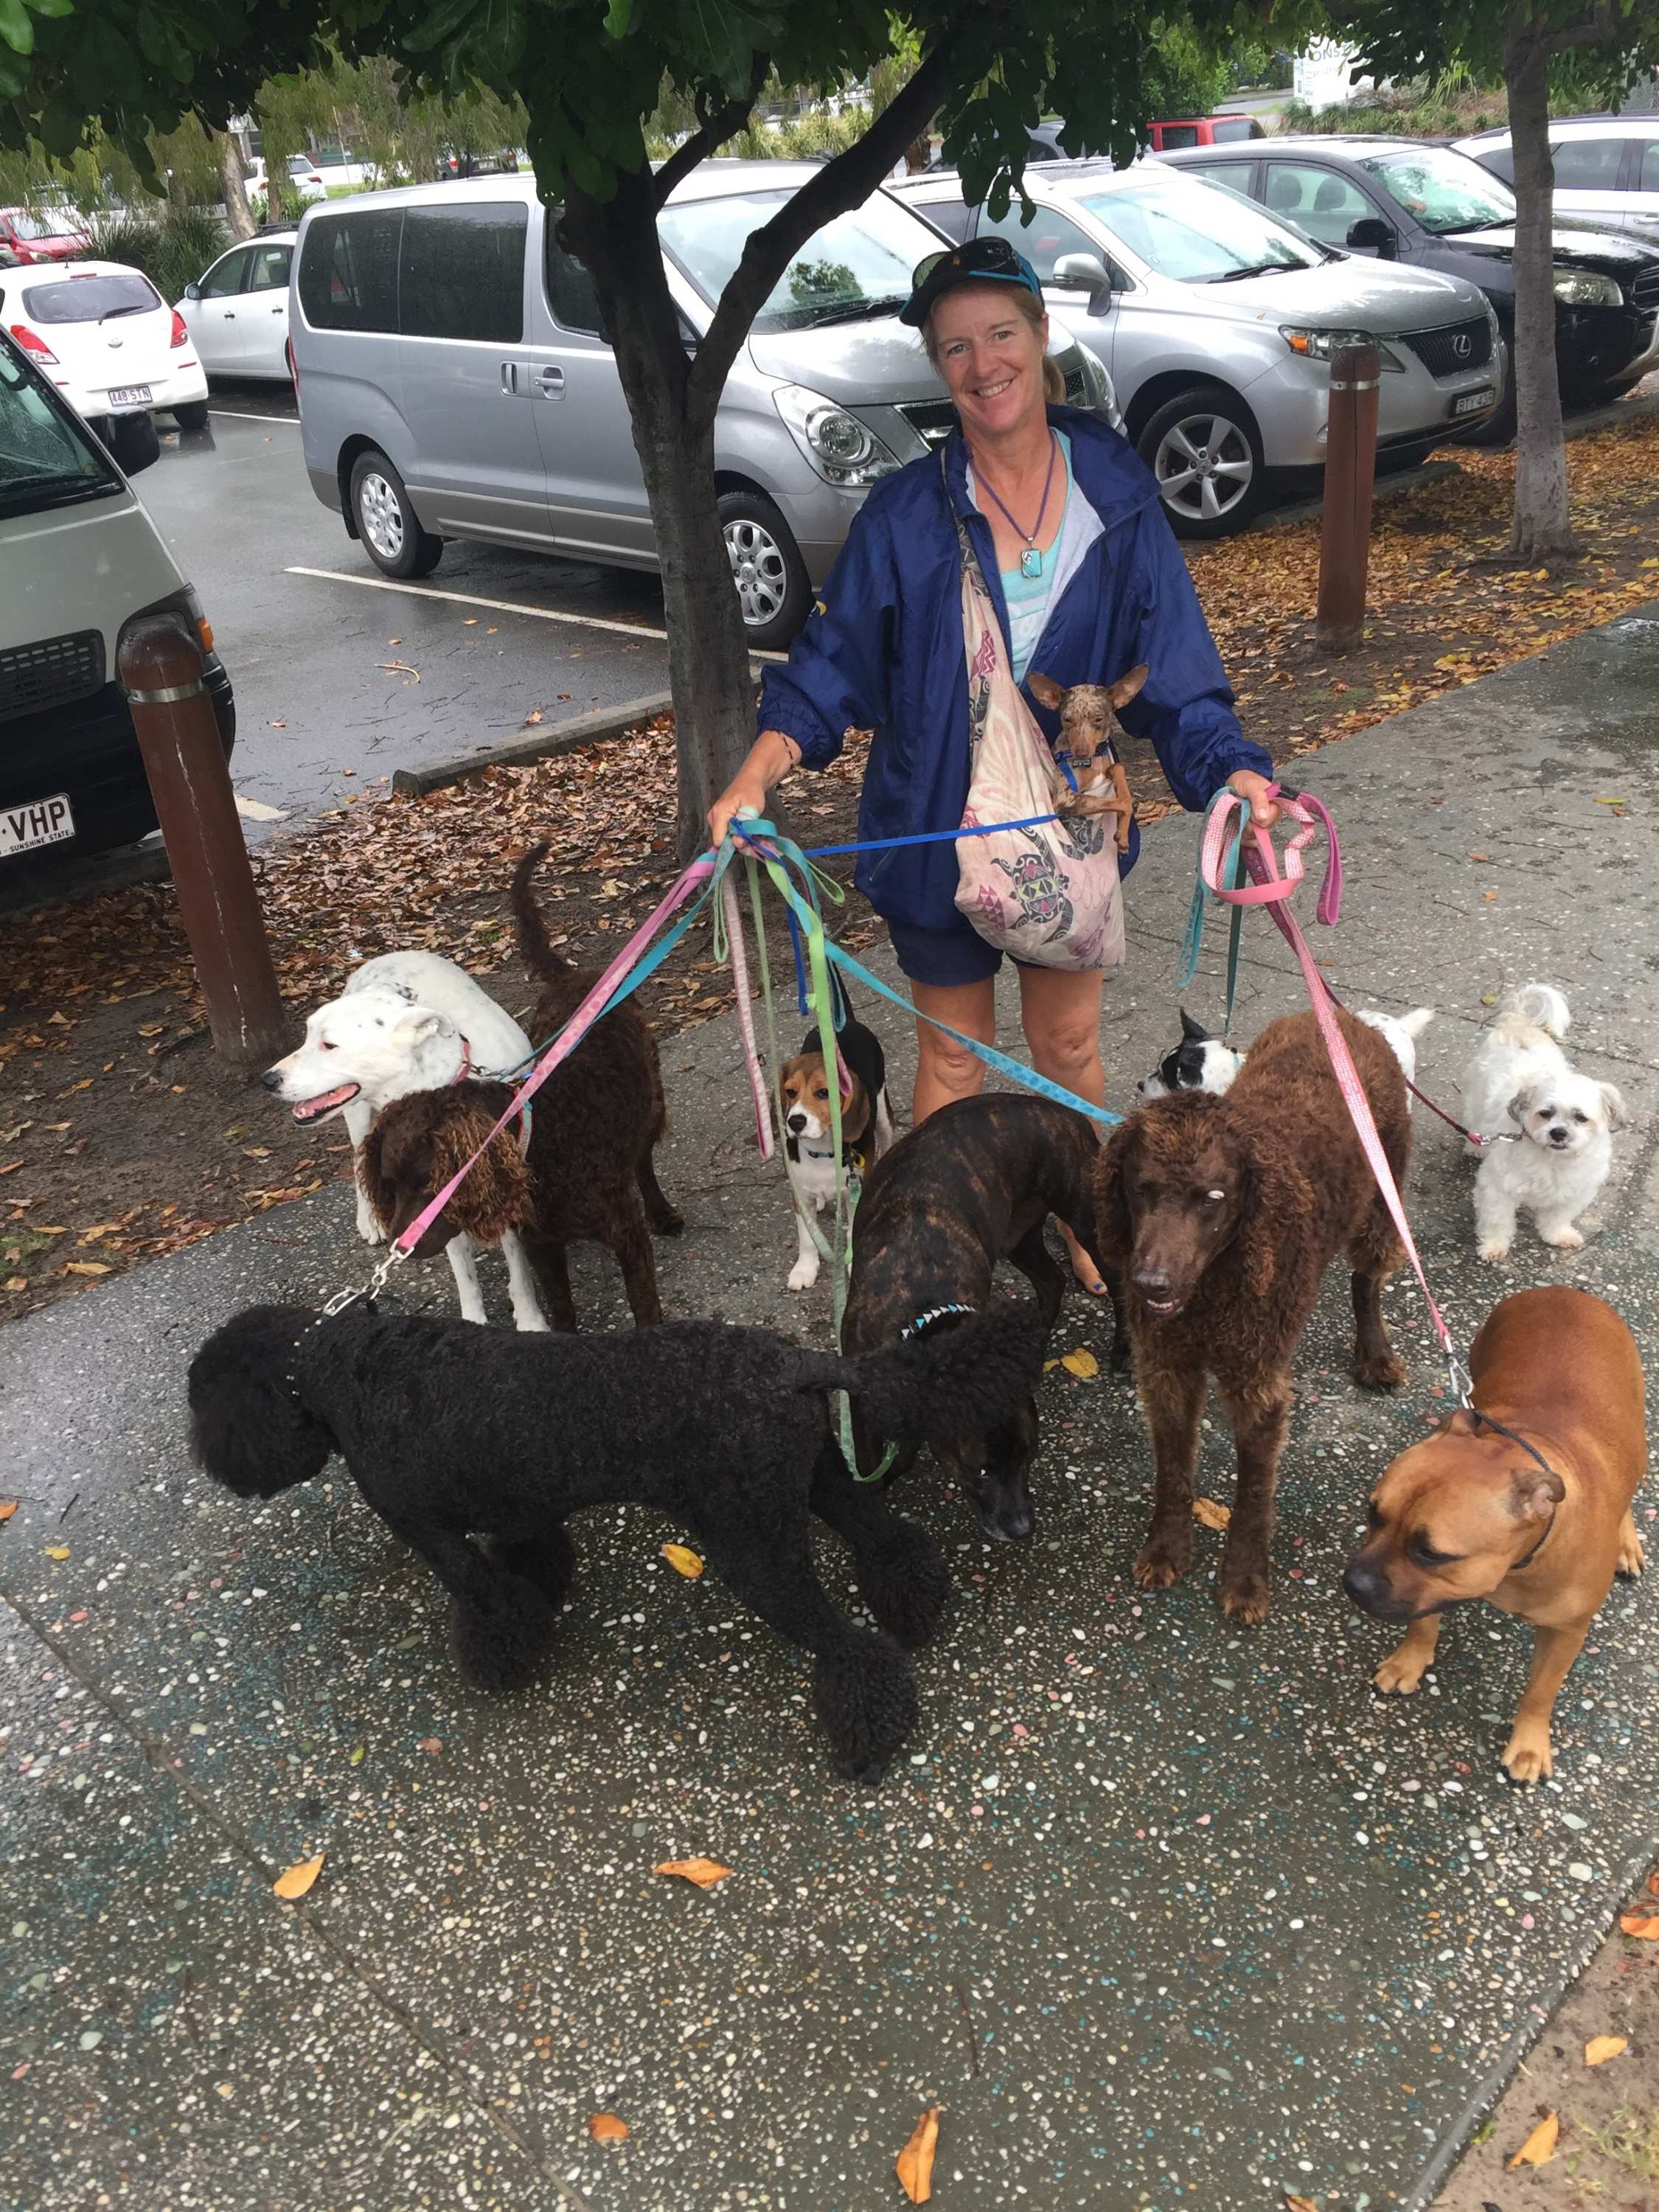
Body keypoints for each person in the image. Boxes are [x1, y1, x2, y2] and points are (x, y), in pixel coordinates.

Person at [708, 235, 1276, 1293]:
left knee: (1065, 1055)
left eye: (1000, 335)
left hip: (1065, 834)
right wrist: (759, 771)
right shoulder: (906, 516)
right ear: (938, 366)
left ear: (1039, 334)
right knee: (955, 1062)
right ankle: (947, 1247)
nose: (983, 364)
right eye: (955, 347)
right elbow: (831, 662)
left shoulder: (1116, 492)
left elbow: (1179, 671)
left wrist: (1230, 770)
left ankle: (1084, 1223)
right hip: (934, 836)